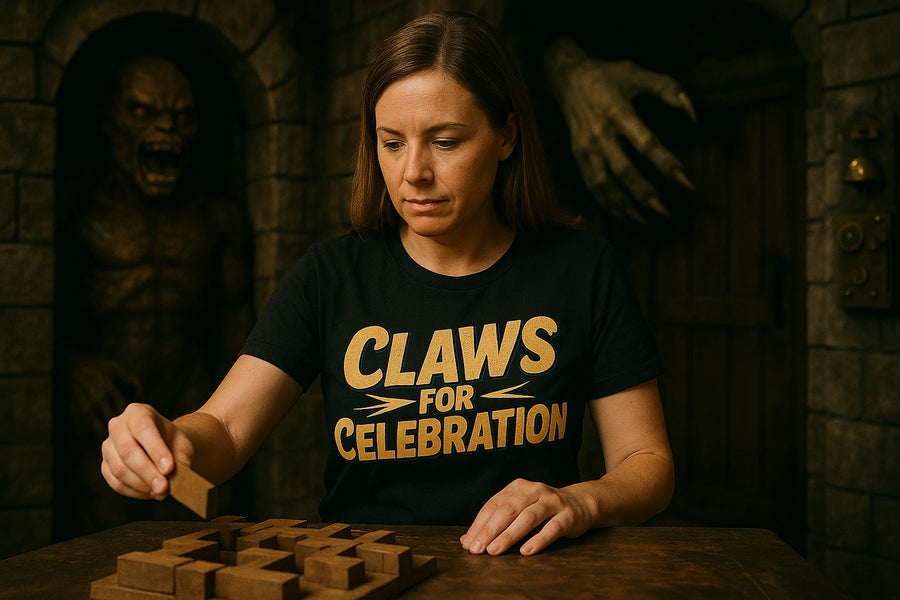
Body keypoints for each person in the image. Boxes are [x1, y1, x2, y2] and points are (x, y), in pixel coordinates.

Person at [101, 11, 675, 557]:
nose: (412, 173)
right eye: (392, 142)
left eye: (445, 141)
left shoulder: (583, 268)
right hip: (364, 574)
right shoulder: (330, 277)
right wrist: (166, 437)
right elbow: (224, 430)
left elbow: (646, 461)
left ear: (506, 137)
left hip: (530, 571)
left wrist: (578, 500)